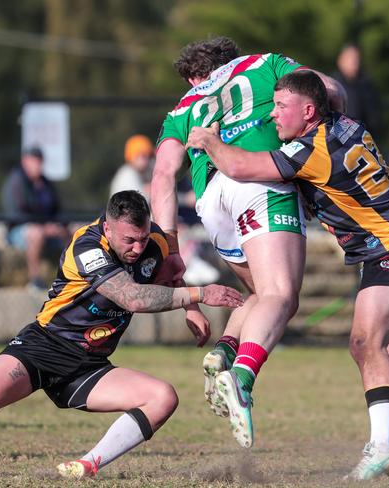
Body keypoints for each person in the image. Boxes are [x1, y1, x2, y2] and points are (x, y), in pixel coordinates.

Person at [186, 70, 389, 481]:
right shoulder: (346, 122)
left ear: (309, 111)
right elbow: (337, 93)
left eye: (281, 107)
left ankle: (382, 449)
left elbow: (241, 167)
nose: (274, 115)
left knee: (365, 343)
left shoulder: (309, 150)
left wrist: (209, 141)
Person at [0, 190, 243, 479]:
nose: (137, 247)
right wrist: (200, 295)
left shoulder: (153, 244)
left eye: (142, 238)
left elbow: (169, 273)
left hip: (89, 366)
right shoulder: (87, 245)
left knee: (163, 398)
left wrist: (191, 309)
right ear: (107, 227)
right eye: (128, 240)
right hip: (42, 348)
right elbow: (132, 297)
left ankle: (89, 464)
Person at [151, 36, 346, 448]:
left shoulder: (183, 108)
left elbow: (163, 175)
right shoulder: (266, 63)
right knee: (282, 295)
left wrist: (170, 249)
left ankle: (223, 352)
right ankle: (241, 377)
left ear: (194, 76)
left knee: (260, 292)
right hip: (258, 179)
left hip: (211, 201)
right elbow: (329, 90)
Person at [2, 146, 68, 291]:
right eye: (34, 161)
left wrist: (59, 226)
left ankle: (72, 277)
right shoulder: (16, 182)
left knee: (75, 231)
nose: (37, 165)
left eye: (39, 161)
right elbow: (16, 215)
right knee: (35, 233)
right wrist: (44, 227)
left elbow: (57, 210)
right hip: (19, 232)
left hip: (46, 230)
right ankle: (35, 280)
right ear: (25, 161)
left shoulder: (45, 183)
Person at [333, 43, 382, 137]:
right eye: (350, 58)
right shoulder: (333, 85)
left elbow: (374, 116)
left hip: (364, 136)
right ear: (340, 60)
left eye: (357, 58)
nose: (354, 61)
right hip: (340, 138)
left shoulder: (367, 84)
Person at [110, 134, 154, 200]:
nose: (145, 160)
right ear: (130, 157)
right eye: (140, 156)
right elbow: (140, 201)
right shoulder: (127, 174)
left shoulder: (145, 171)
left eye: (147, 156)